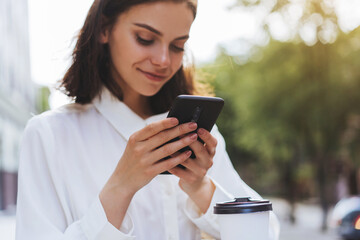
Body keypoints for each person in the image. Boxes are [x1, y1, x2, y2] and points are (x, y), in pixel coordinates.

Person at [16, 0, 280, 239]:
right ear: (104, 29)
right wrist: (121, 186)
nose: (163, 60)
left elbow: (265, 234)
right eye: (145, 38)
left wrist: (200, 187)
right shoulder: (49, 135)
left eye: (178, 46)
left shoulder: (196, 135)